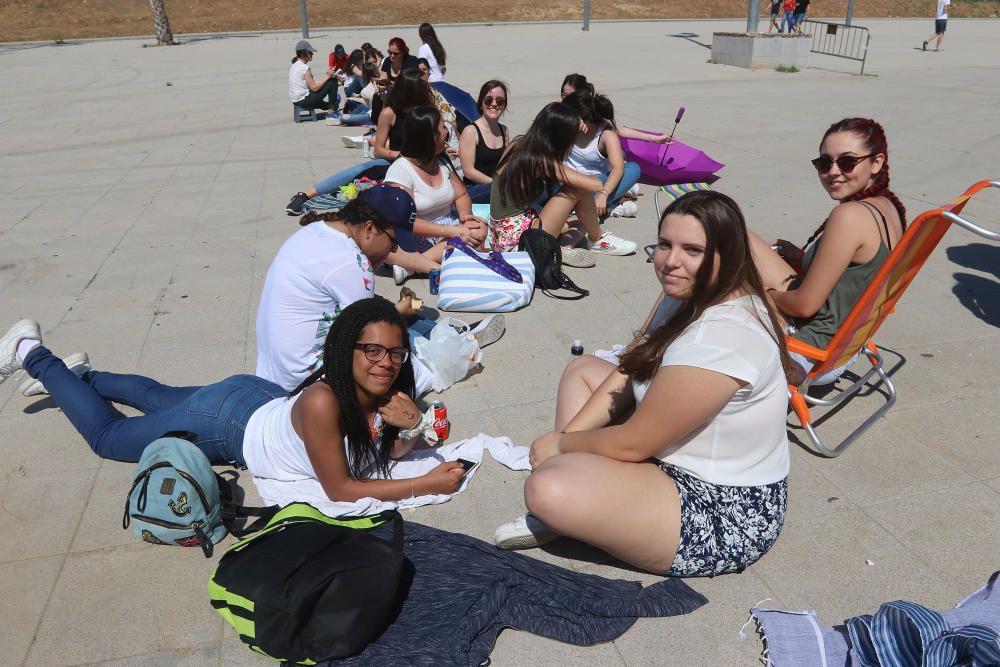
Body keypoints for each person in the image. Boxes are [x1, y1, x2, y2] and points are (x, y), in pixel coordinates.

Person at [493, 190, 791, 576]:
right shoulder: (689, 293)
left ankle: (576, 509)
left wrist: (562, 443)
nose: (671, 262)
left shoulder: (721, 338)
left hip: (718, 504)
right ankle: (584, 498)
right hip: (674, 446)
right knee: (582, 371)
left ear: (726, 255)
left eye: (692, 250)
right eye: (665, 245)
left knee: (545, 489)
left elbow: (635, 443)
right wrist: (568, 445)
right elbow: (632, 364)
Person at [0, 300, 468, 502]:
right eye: (371, 350)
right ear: (346, 349)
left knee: (157, 397)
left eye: (394, 352)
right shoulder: (325, 401)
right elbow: (340, 488)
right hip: (228, 425)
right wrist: (423, 483)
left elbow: (379, 452)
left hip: (256, 397)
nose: (385, 362)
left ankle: (79, 378)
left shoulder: (388, 389)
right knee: (109, 437)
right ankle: (31, 352)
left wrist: (409, 429)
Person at [749, 118, 906, 384]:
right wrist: (801, 259)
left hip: (808, 348)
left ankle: (662, 356)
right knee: (737, 234)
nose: (833, 171)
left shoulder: (850, 216)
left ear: (876, 163)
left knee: (714, 276)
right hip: (845, 340)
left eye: (847, 162)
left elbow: (804, 305)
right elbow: (859, 271)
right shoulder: (887, 207)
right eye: (824, 163)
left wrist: (758, 291)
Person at [490, 102, 637, 265]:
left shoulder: (518, 143)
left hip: (501, 235)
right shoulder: (541, 161)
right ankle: (597, 239)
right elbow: (595, 186)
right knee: (578, 189)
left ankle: (566, 243)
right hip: (521, 245)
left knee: (577, 223)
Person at [284, 69, 433, 216]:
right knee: (358, 171)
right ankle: (305, 195)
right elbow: (378, 151)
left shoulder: (427, 110)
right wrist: (401, 156)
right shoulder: (390, 113)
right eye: (424, 86)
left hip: (423, 162)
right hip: (395, 161)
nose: (429, 88)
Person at [384, 106, 488, 283]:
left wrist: (465, 217)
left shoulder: (441, 161)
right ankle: (419, 260)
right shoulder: (400, 170)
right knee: (461, 241)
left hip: (446, 226)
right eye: (442, 128)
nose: (447, 132)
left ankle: (410, 266)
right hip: (416, 232)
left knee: (479, 229)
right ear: (429, 137)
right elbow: (404, 220)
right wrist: (452, 231)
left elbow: (461, 195)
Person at [561, 91, 642, 218]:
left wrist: (603, 195)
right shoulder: (565, 125)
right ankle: (597, 208)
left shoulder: (606, 134)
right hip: (564, 181)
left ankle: (588, 207)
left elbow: (618, 168)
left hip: (593, 186)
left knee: (633, 169)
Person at [559, 74, 669, 144]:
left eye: (572, 95)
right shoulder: (557, 113)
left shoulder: (595, 111)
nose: (567, 100)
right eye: (564, 95)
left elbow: (620, 130)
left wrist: (654, 138)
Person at [459, 80, 509, 204]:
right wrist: (496, 184)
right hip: (475, 189)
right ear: (481, 104)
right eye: (488, 100)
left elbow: (504, 166)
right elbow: (469, 171)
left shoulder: (504, 130)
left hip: (497, 188)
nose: (494, 104)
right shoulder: (470, 131)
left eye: (500, 101)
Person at [288, 40, 339, 115]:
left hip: (296, 100)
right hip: (304, 101)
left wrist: (327, 78)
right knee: (333, 81)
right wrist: (328, 76)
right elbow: (314, 88)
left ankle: (329, 105)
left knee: (326, 84)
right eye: (310, 52)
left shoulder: (295, 65)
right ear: (302, 54)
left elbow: (312, 84)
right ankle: (332, 109)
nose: (312, 54)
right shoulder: (304, 68)